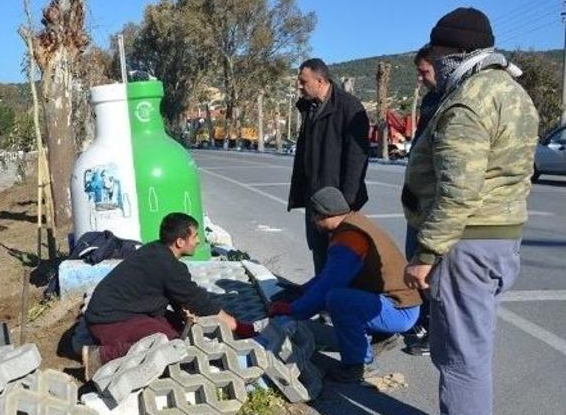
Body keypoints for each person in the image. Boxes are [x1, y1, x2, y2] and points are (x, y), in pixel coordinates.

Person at [402, 7, 538, 415]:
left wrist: (425, 256)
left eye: (437, 55)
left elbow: (458, 192)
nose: (432, 68)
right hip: (499, 238)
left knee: (462, 358)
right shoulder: (513, 91)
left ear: (454, 53)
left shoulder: (468, 100)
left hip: (467, 244)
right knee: (467, 347)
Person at [81, 212, 282, 378]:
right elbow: (199, 301)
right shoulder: (167, 265)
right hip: (108, 321)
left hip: (122, 312)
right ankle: (99, 357)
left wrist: (183, 314)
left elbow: (180, 296)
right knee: (167, 342)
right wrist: (239, 327)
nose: (198, 241)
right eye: (194, 237)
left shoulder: (158, 252)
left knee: (177, 328)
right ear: (180, 241)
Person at [271, 187, 421, 383]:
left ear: (323, 214)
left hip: (399, 310)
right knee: (341, 295)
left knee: (338, 299)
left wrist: (292, 310)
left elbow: (327, 286)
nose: (313, 222)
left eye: (314, 217)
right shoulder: (353, 222)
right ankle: (378, 337)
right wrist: (301, 291)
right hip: (397, 303)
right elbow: (328, 276)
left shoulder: (349, 238)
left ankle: (358, 365)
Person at [288, 58, 370, 274]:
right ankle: (321, 301)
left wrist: (346, 204)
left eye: (303, 82)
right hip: (314, 199)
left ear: (320, 80)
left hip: (337, 203)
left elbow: (357, 159)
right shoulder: (308, 108)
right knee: (319, 252)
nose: (299, 86)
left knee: (340, 258)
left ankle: (335, 304)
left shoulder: (349, 108)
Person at [403, 44, 442, 356]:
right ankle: (424, 321)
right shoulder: (431, 100)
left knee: (430, 274)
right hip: (416, 204)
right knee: (414, 263)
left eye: (424, 71)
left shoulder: (453, 103)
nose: (420, 79)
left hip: (434, 206)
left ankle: (436, 332)